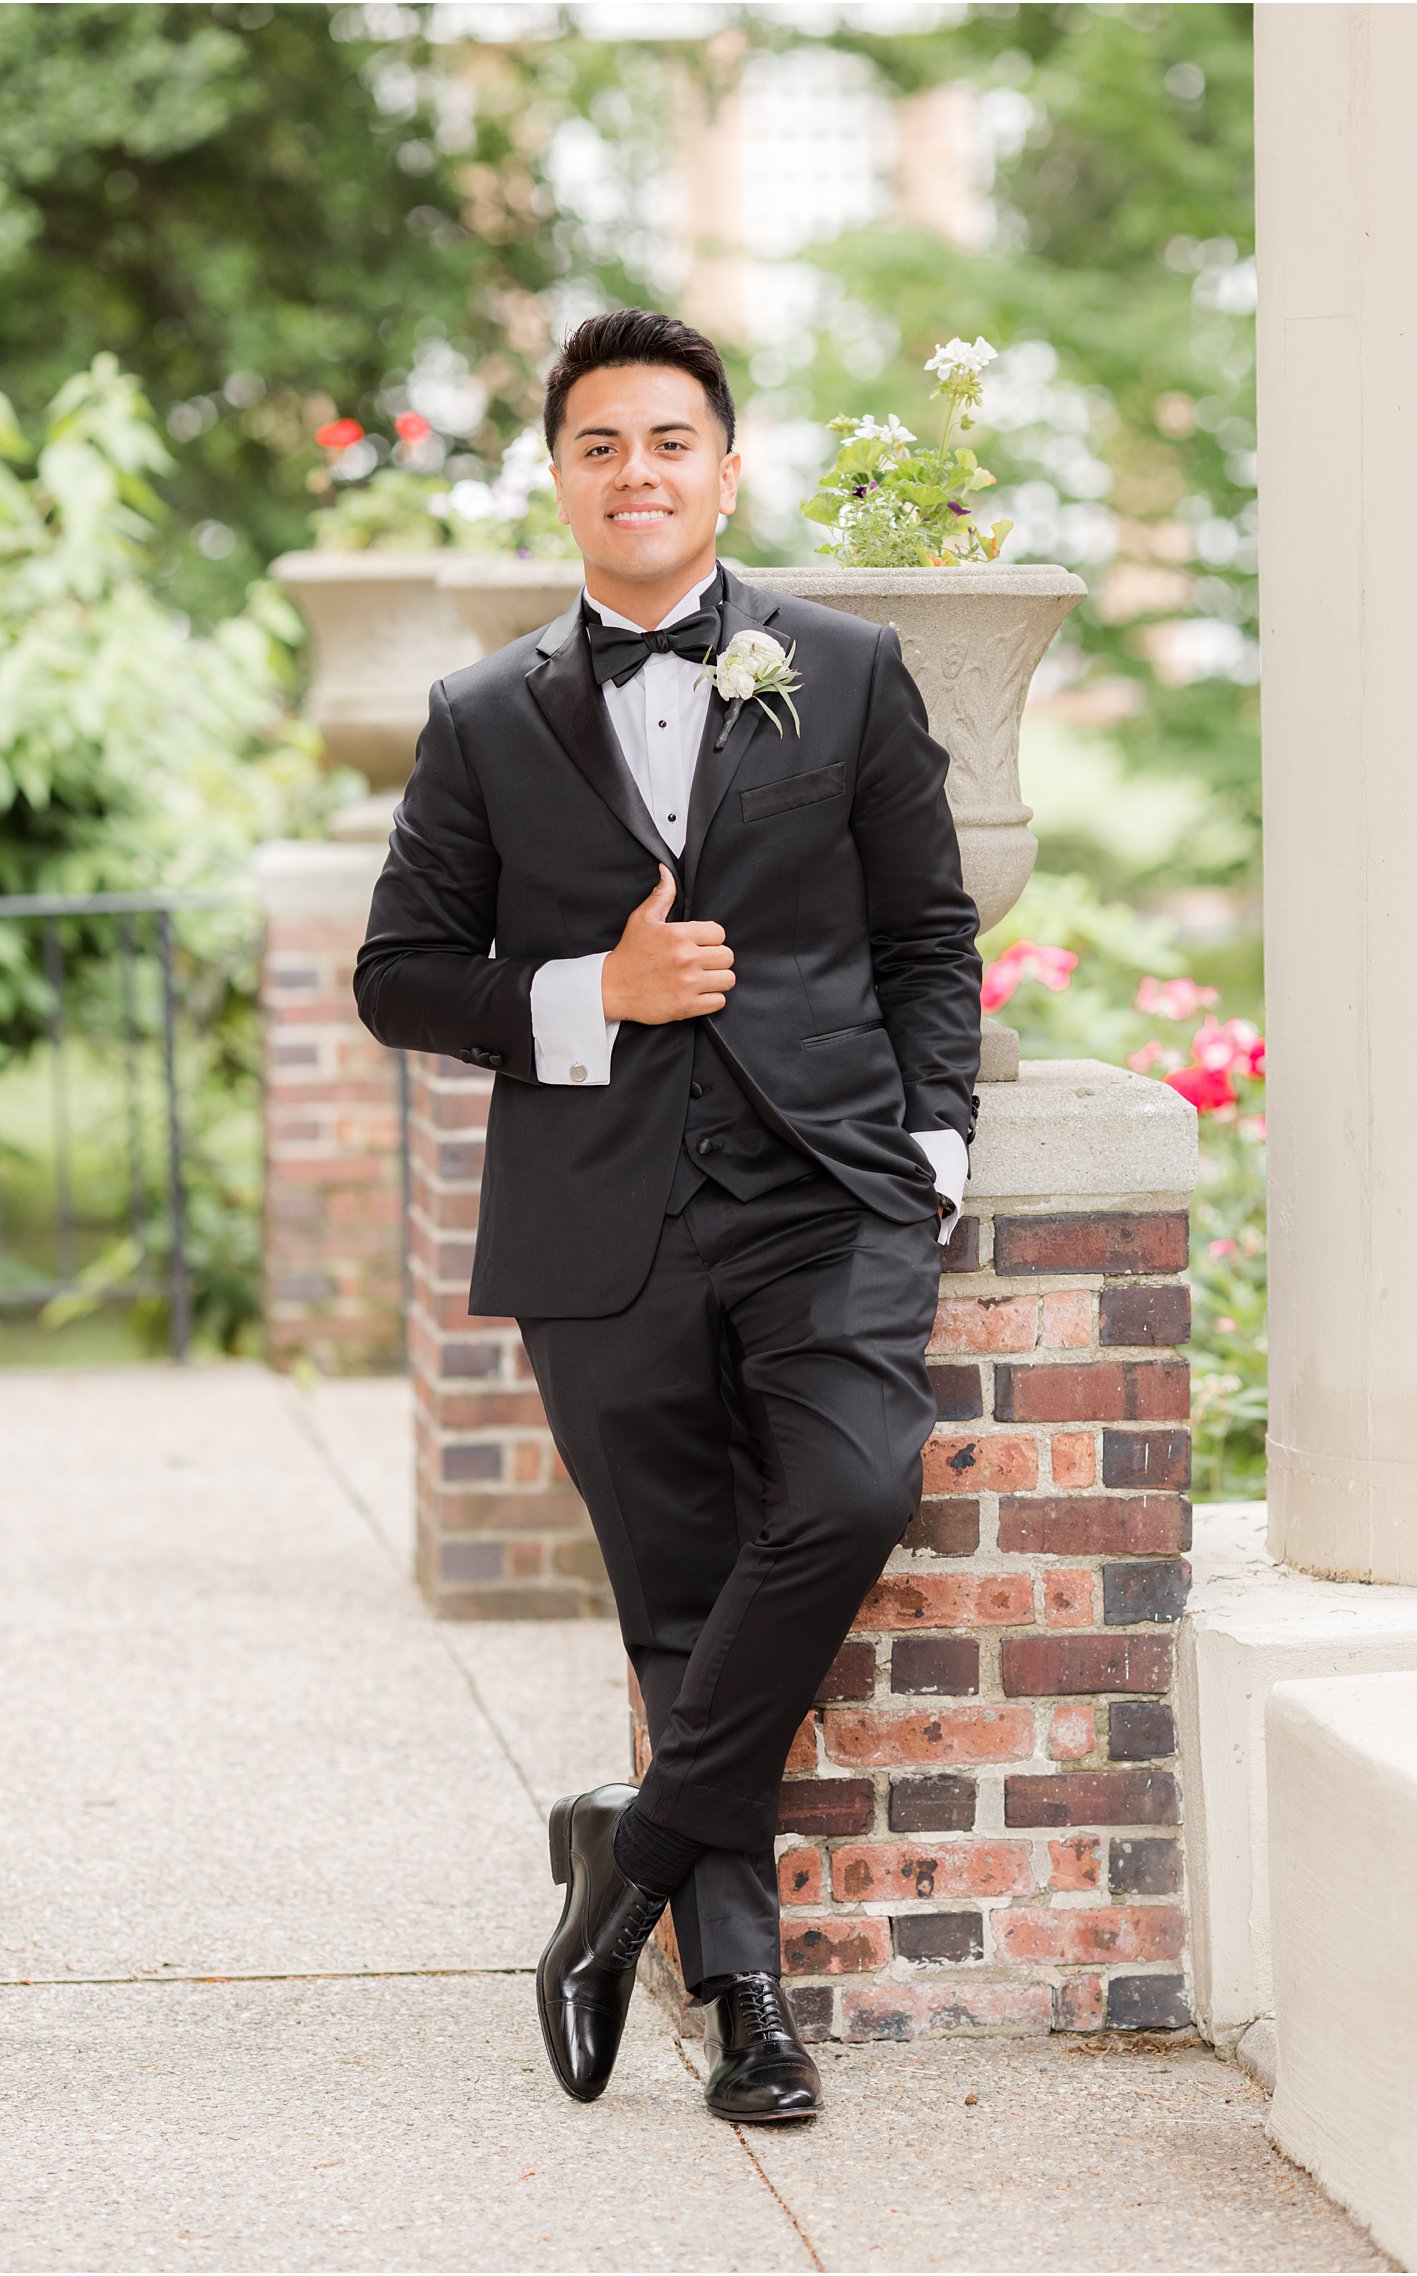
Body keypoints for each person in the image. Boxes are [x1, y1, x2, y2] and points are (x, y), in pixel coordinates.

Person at [353, 307, 982, 2124]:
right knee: (680, 1600)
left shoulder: (843, 669)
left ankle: (618, 1862)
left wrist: (929, 1144)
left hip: (830, 1191)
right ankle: (747, 2002)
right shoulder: (481, 717)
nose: (639, 472)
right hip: (599, 1216)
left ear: (728, 465)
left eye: (670, 441)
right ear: (561, 479)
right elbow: (400, 978)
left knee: (856, 1489)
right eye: (601, 445)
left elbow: (929, 931)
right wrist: (587, 993)